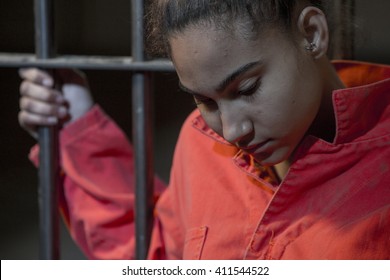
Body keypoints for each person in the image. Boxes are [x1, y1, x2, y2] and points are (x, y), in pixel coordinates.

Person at [18, 0, 390, 259]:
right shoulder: (202, 143)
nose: (231, 131)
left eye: (247, 89)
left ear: (311, 33)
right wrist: (77, 125)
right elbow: (159, 261)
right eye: (205, 101)